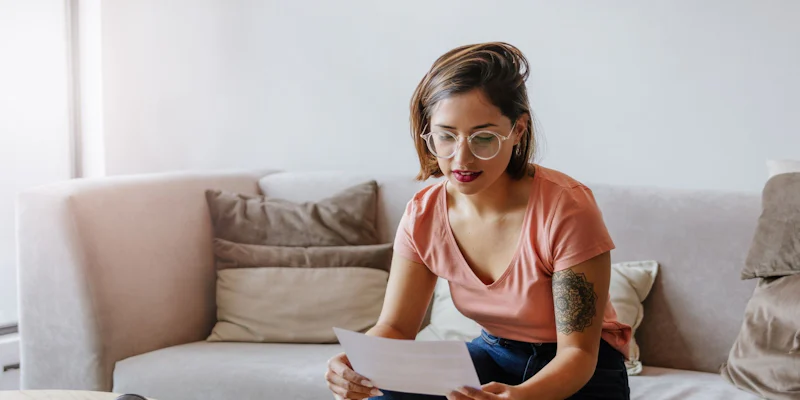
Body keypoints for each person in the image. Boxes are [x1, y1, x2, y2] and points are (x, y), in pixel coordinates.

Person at [324, 42, 632, 400]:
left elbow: (578, 354)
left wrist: (518, 397)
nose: (462, 158)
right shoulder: (424, 214)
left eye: (483, 137)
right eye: (446, 136)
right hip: (493, 353)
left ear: (517, 130)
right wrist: (356, 363)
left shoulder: (567, 209)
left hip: (580, 373)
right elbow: (395, 327)